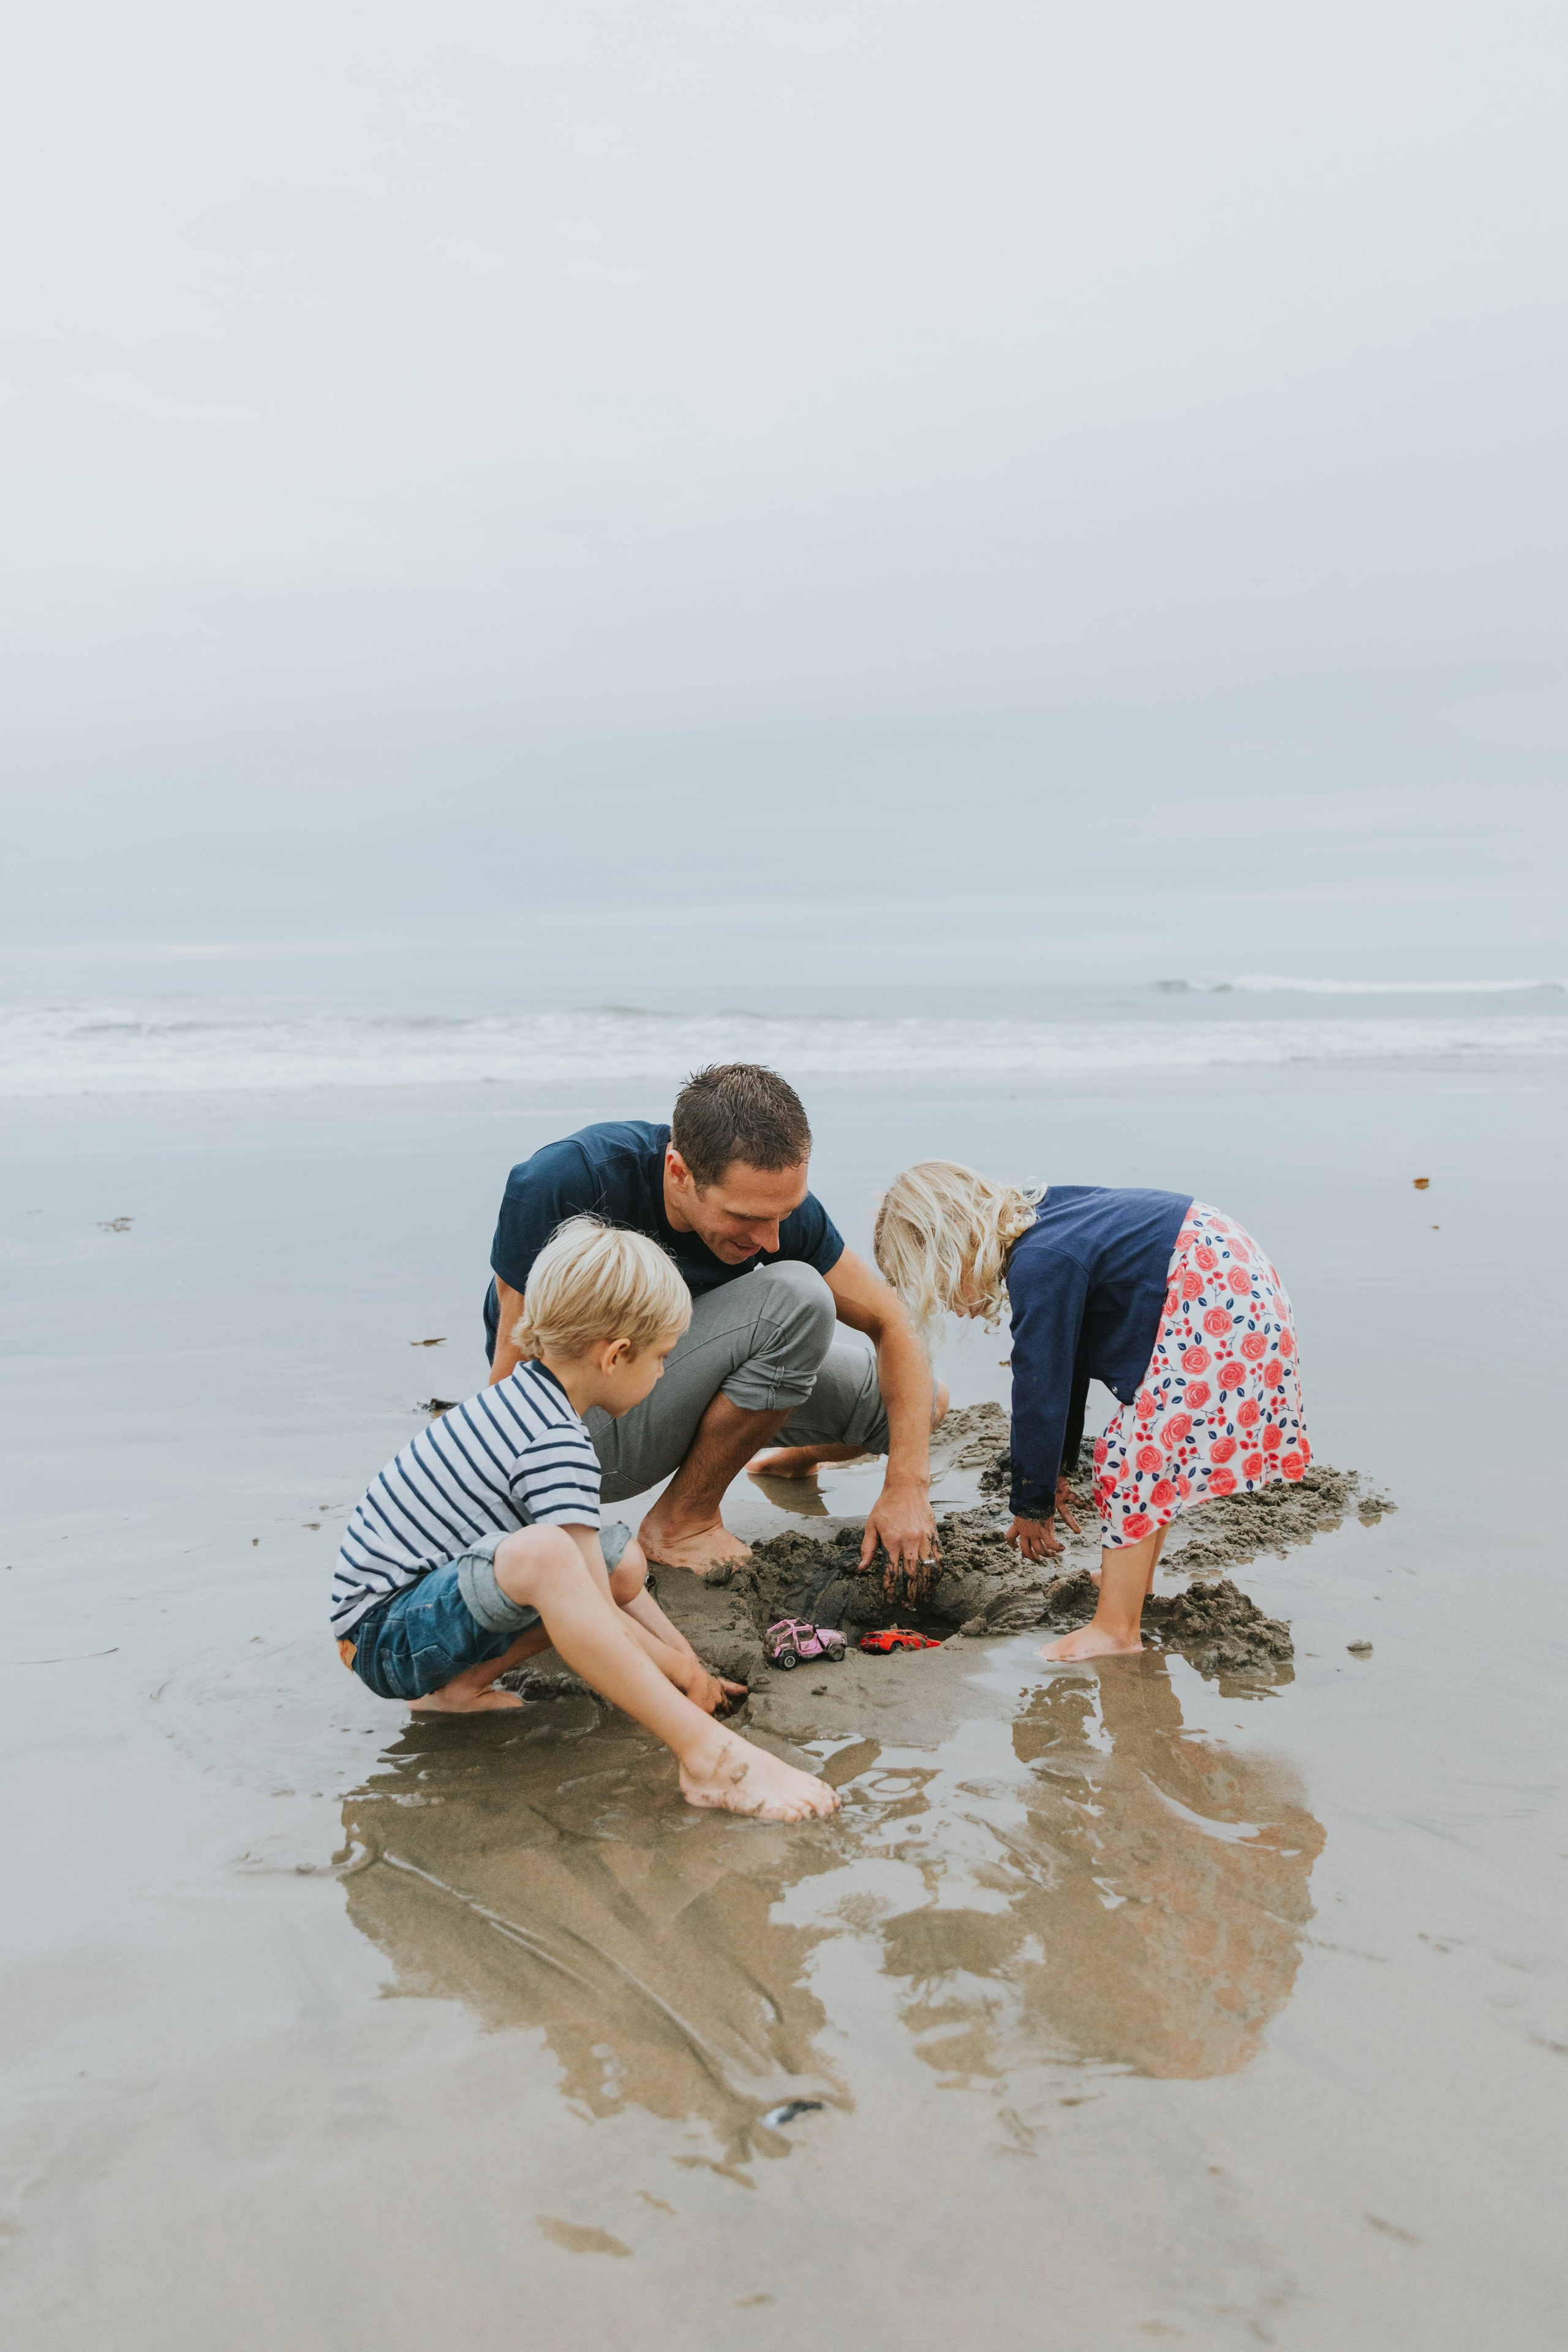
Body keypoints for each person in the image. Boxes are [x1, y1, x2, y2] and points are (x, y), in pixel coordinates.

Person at [333, 1216, 839, 1822]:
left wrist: (688, 1663)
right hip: (382, 1636)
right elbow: (591, 1610)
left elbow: (599, 1579)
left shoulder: (527, 1397)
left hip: (412, 1612)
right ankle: (706, 1759)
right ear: (616, 1355)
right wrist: (677, 1671)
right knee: (552, 1559)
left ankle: (456, 1692)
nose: (662, 1373)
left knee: (613, 1558)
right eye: (661, 1357)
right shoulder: (554, 1442)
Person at [483, 1063, 944, 1578]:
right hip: (586, 1436)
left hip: (685, 1376)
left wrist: (907, 1485)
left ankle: (787, 1460)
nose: (771, 1240)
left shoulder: (768, 1204)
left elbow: (894, 1324)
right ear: (679, 1173)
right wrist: (511, 1535)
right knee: (800, 1296)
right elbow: (510, 1362)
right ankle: (684, 1521)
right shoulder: (567, 1178)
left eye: (784, 1215)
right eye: (746, 1219)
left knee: (924, 1402)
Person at [871, 1163, 1310, 1662]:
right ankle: (1132, 1581)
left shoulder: (1038, 1261)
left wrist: (1030, 1505)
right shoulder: (1047, 1221)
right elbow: (1067, 1366)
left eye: (940, 1289)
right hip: (1231, 1279)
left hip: (1216, 1296)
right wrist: (1055, 1471)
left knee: (1132, 1457)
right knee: (1152, 1451)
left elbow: (1039, 1390)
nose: (948, 1305)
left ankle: (1116, 1630)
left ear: (952, 1248)